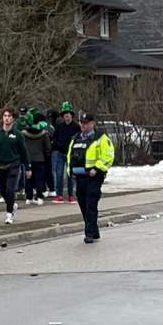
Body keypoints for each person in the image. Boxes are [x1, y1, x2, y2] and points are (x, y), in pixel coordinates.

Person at [68, 112, 115, 243]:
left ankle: (89, 233)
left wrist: (97, 168)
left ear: (92, 124)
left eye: (86, 123)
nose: (83, 125)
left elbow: (108, 156)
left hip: (94, 176)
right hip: (79, 176)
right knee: (83, 204)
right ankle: (94, 232)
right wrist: (70, 171)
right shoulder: (76, 138)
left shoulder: (101, 138)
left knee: (91, 203)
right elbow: (69, 156)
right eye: (81, 122)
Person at [0, 108, 30, 224]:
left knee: (10, 189)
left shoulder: (18, 135)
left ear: (13, 119)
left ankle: (9, 213)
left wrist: (28, 167)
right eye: (5, 116)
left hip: (14, 165)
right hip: (0, 166)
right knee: (2, 190)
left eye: (9, 116)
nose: (7, 118)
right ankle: (12, 204)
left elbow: (23, 152)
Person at [51, 104, 80, 203]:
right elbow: (54, 139)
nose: (66, 116)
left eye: (68, 114)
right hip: (60, 153)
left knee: (70, 175)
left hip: (71, 154)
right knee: (59, 174)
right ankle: (59, 195)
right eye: (64, 114)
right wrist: (57, 145)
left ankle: (71, 195)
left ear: (71, 115)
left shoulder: (76, 127)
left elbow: (79, 139)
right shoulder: (59, 127)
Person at [22, 117, 50, 205]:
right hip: (40, 158)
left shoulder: (24, 134)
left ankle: (29, 197)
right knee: (39, 179)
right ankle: (40, 197)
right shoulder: (43, 134)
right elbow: (48, 147)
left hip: (28, 158)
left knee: (28, 179)